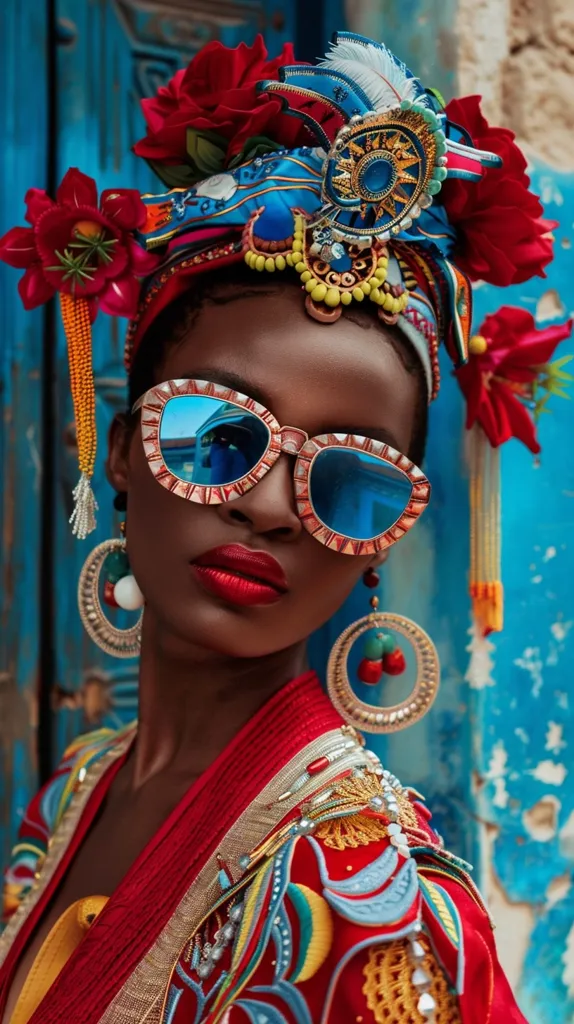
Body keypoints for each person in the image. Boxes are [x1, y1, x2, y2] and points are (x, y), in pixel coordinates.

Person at [0, 28, 566, 1024]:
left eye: (348, 481)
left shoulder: (370, 895)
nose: (267, 505)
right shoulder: (75, 791)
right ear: (124, 451)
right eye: (217, 436)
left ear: (383, 539)